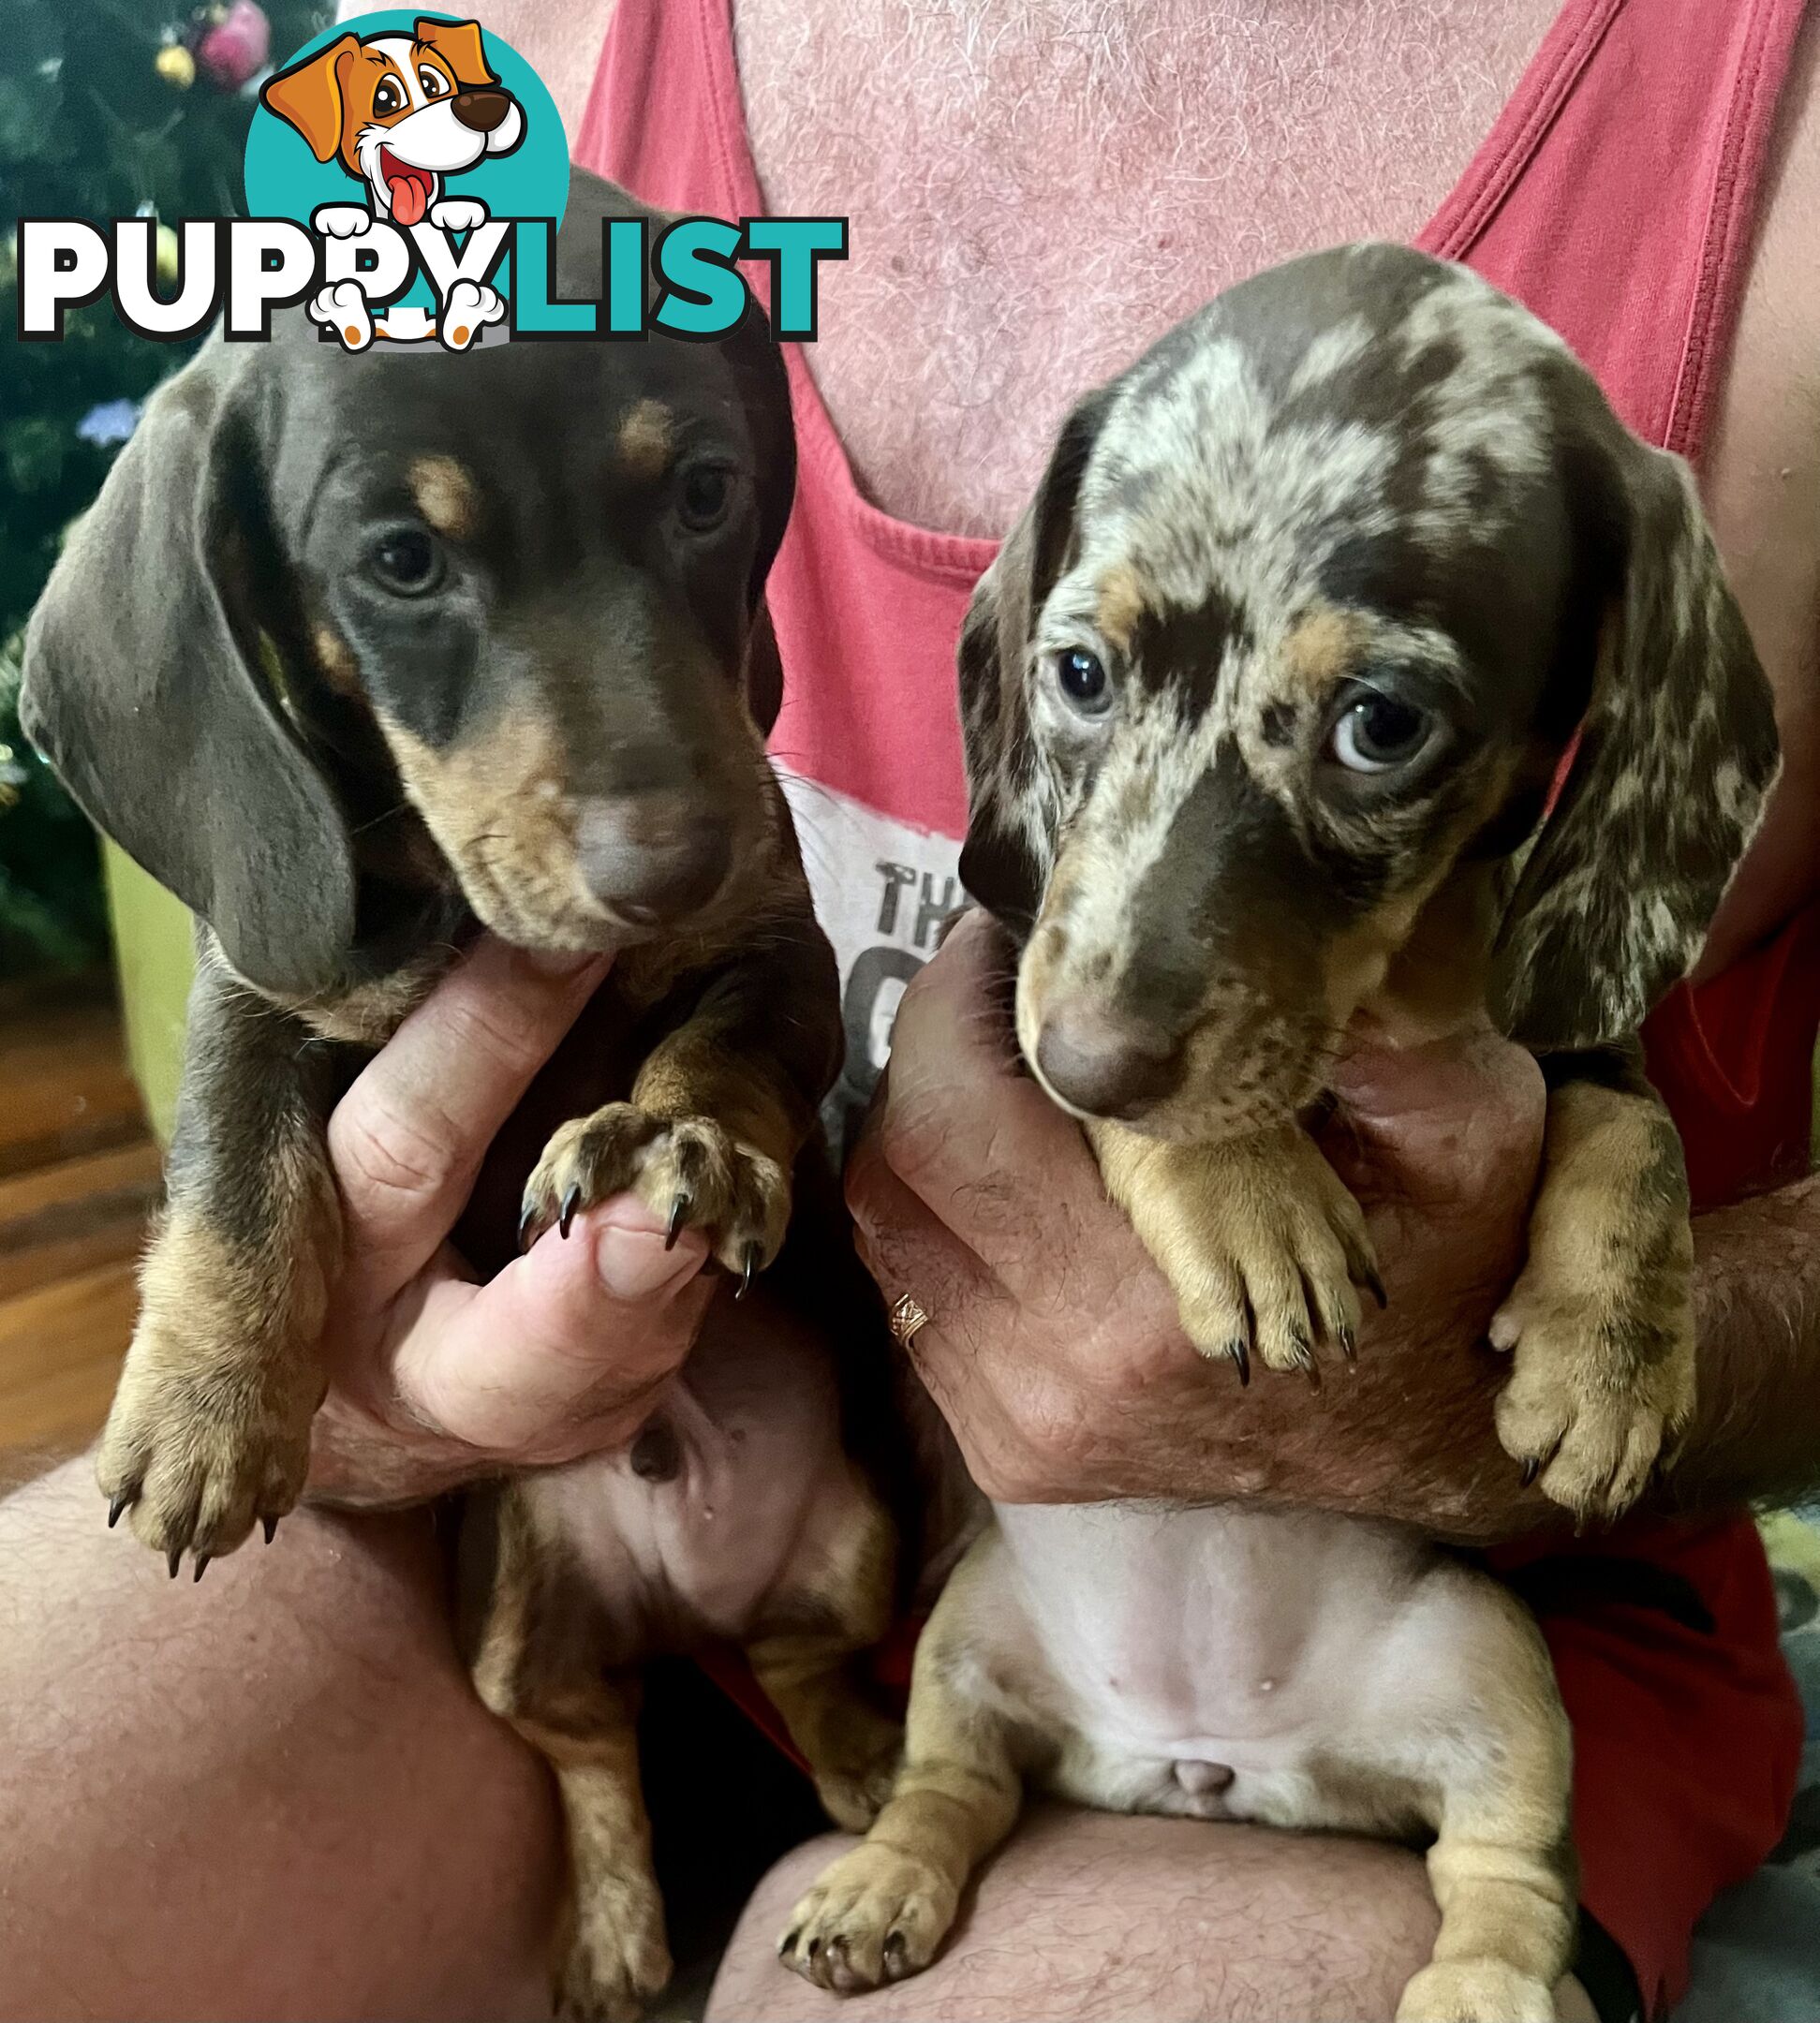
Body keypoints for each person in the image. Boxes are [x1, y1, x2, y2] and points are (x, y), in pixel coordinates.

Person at [3, 2, 1817, 2019]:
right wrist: (359, 1387)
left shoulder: (1781, 163)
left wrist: (1479, 1416)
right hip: (566, 1519)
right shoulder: (504, 54)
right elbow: (276, 601)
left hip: (1398, 1647)